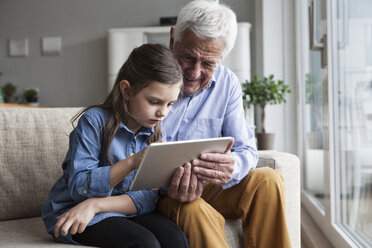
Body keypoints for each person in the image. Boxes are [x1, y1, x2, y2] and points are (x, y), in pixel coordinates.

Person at [156, 1, 292, 248]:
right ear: (173, 38)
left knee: (268, 180)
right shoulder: (146, 77)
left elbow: (246, 149)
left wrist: (234, 165)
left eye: (208, 63)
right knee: (192, 209)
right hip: (160, 195)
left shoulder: (227, 83)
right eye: (188, 57)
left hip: (210, 187)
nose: (195, 73)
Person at [41, 44, 189, 248]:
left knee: (176, 239)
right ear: (127, 91)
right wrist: (133, 162)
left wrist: (96, 205)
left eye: (170, 104)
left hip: (115, 208)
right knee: (144, 243)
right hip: (77, 212)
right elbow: (80, 188)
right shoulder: (94, 122)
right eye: (154, 102)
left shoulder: (154, 131)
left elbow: (146, 197)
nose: (163, 113)